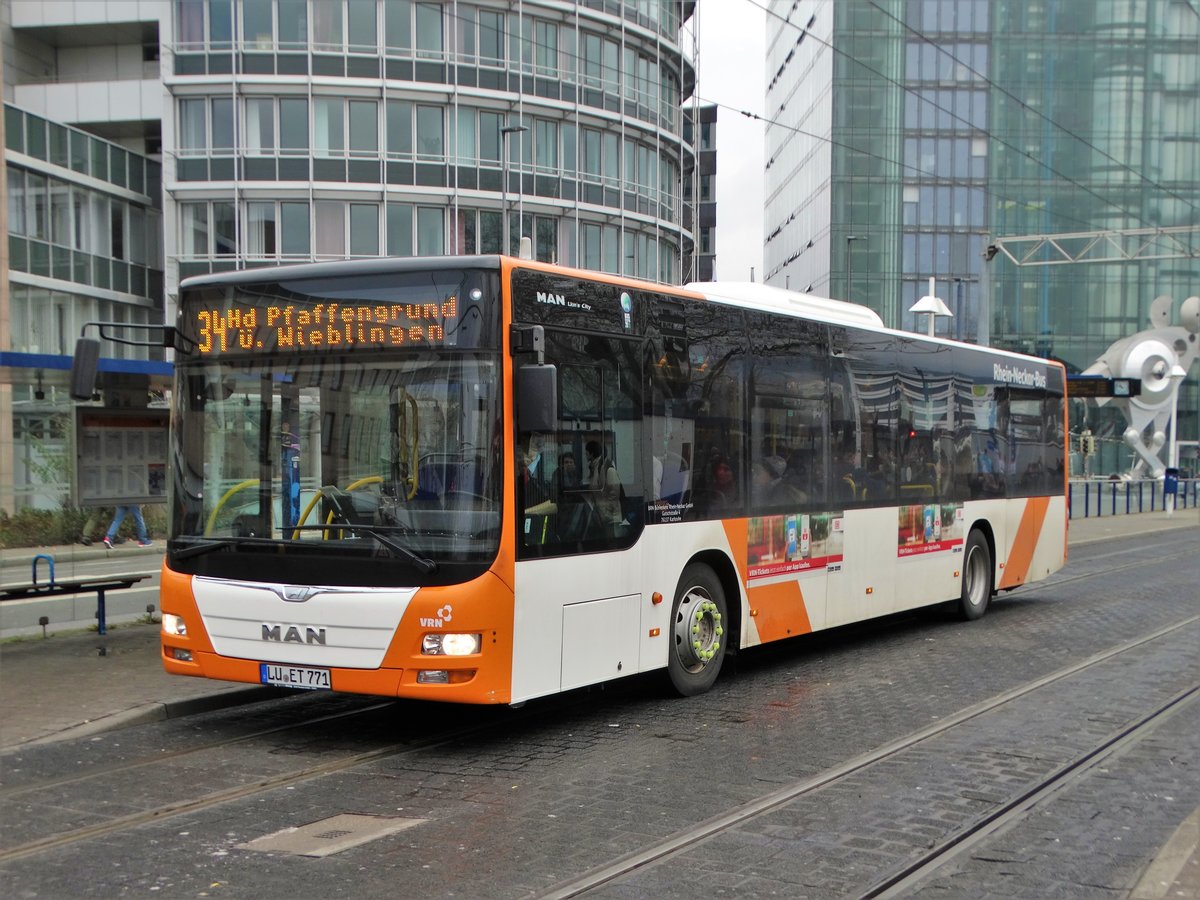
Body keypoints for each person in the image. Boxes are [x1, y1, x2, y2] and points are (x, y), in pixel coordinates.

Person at [584, 440, 624, 528]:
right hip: (601, 518)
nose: (585, 455)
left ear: (591, 454)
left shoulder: (607, 469)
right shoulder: (594, 468)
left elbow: (614, 494)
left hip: (611, 520)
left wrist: (605, 512)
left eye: (586, 453)